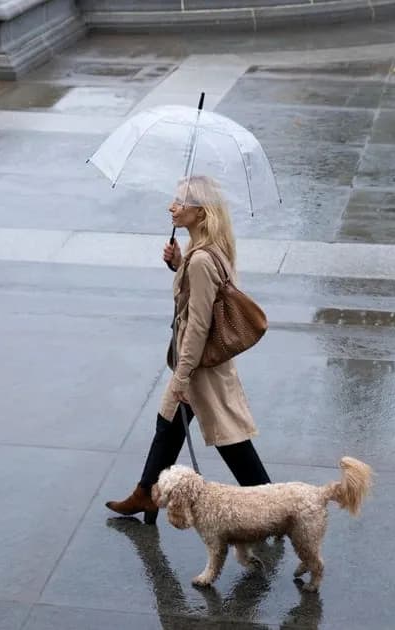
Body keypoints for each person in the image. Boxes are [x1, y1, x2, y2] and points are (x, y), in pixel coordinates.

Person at [106, 175, 271, 524]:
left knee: (231, 440)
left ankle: (270, 505)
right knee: (168, 424)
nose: (172, 206)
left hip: (199, 366)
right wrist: (176, 264)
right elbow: (202, 299)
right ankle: (146, 493)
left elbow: (198, 324)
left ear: (200, 212)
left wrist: (182, 375)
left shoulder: (201, 260)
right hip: (196, 362)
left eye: (181, 202)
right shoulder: (206, 253)